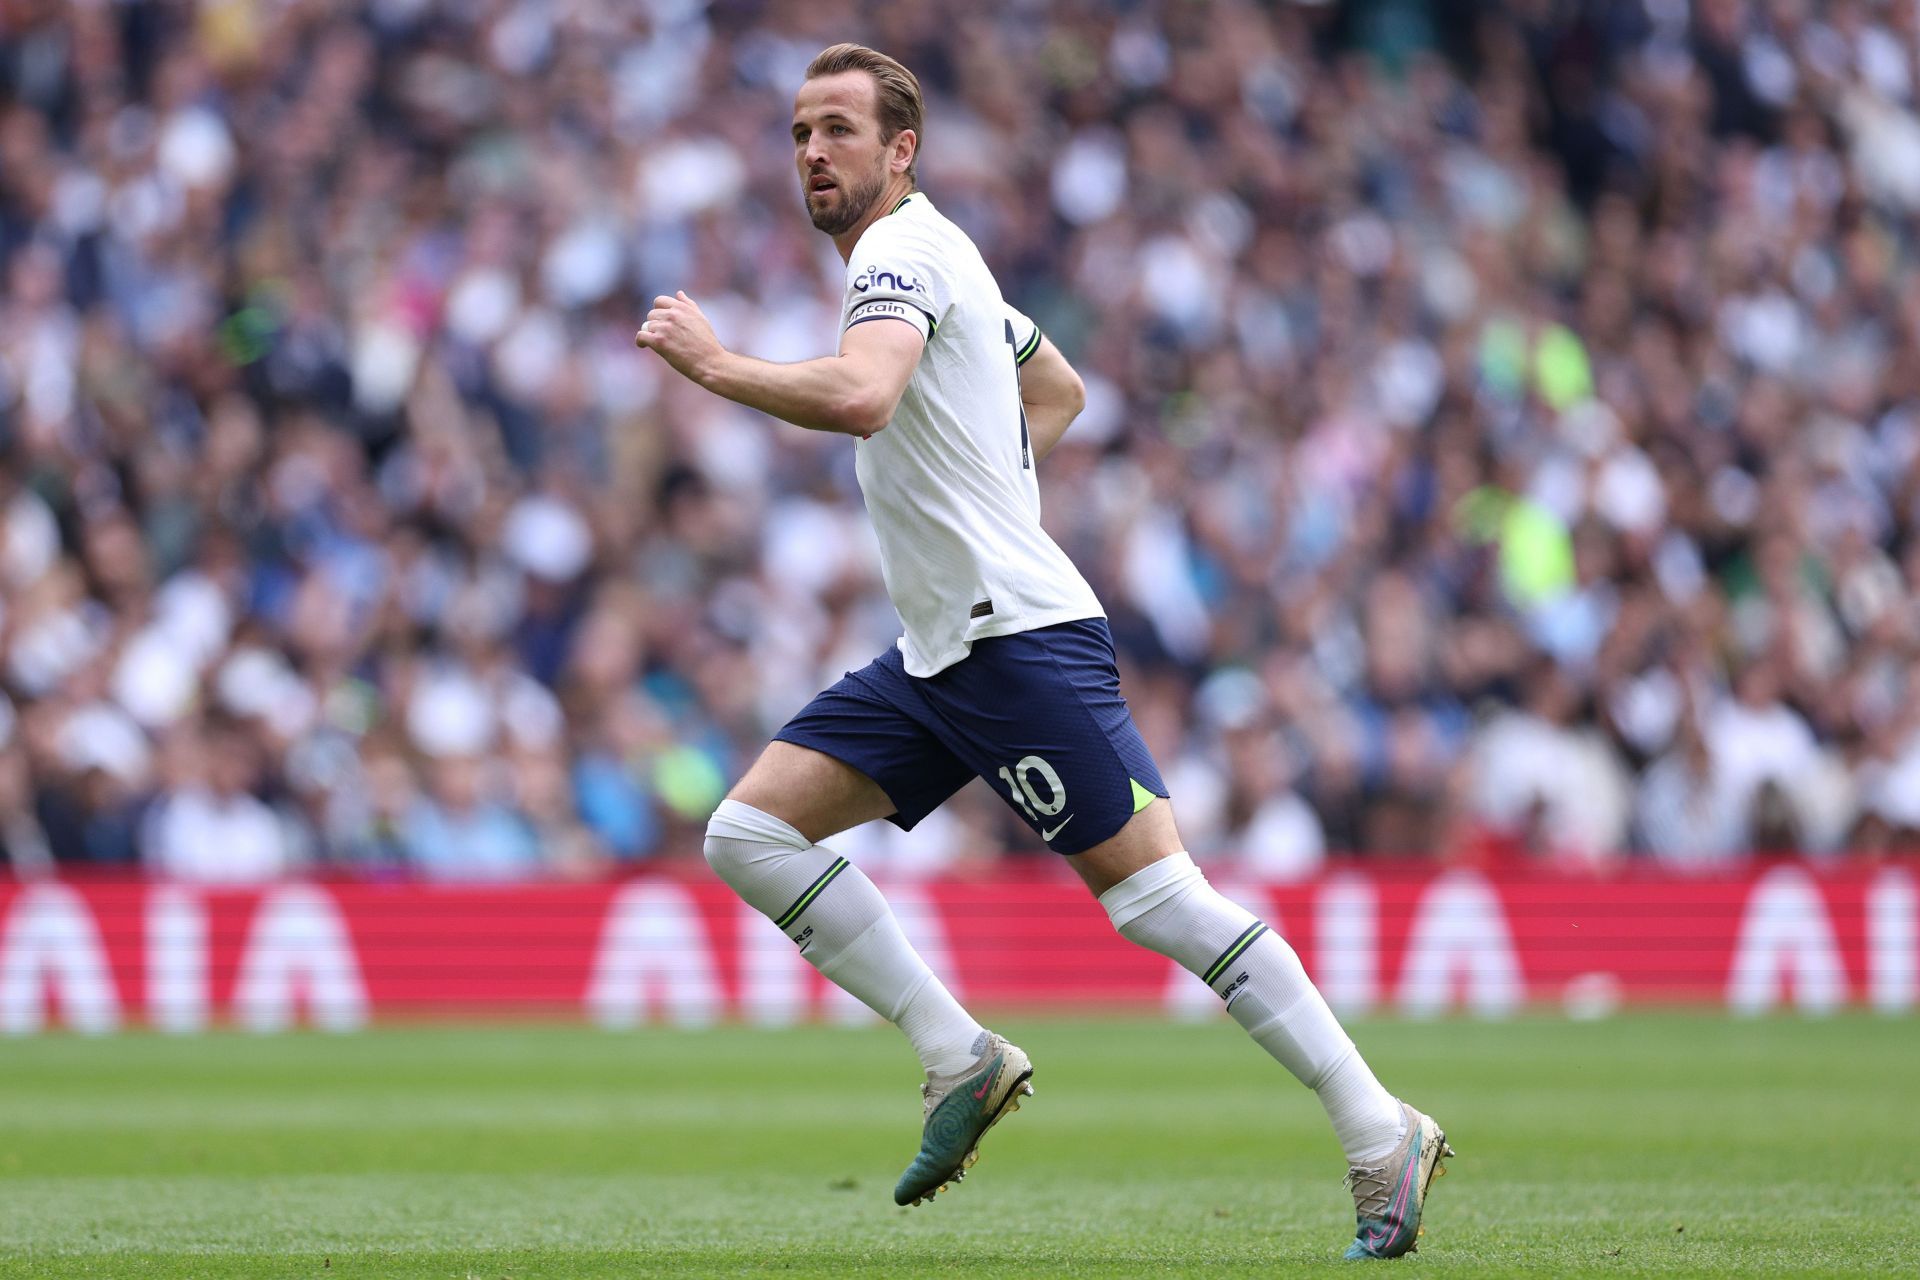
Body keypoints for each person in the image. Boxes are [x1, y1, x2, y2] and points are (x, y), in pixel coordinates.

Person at [633, 43, 1452, 1259]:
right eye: (802, 131)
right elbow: (1057, 385)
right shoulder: (934, 253)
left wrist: (715, 366)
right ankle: (959, 1052)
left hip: (1013, 643)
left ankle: (1381, 1127)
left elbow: (863, 396)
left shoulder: (902, 252)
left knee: (1161, 899)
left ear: (899, 152)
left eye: (841, 131)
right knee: (747, 830)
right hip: (938, 652)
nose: (813, 151)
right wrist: (991, 482)